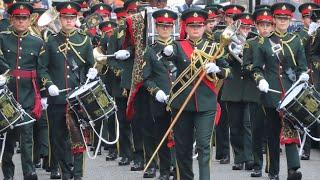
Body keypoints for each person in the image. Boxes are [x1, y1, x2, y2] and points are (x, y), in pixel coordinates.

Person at [167, 8, 231, 180]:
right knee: (183, 148)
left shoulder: (214, 47)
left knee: (204, 147)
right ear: (185, 27)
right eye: (192, 26)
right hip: (182, 103)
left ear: (204, 27)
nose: (196, 29)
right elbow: (166, 66)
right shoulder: (177, 46)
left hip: (206, 104)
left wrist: (217, 69)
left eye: (200, 25)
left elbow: (227, 70)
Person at [38, 1, 96, 180]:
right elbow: (42, 68)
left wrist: (93, 72)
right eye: (65, 17)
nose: (69, 21)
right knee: (58, 140)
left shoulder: (85, 40)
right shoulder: (51, 42)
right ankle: (66, 174)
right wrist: (49, 85)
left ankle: (77, 176)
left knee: (78, 140)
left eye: (72, 17)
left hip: (77, 100)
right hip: (57, 99)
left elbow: (90, 66)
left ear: (76, 18)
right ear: (60, 18)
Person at [252, 2, 309, 180]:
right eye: (279, 18)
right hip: (271, 93)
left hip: (291, 93)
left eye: (286, 18)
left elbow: (302, 66)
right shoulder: (265, 42)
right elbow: (256, 68)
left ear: (290, 19)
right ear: (274, 20)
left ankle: (293, 170)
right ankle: (274, 171)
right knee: (273, 133)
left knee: (291, 130)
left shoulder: (296, 40)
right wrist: (260, 80)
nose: (283, 21)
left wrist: (303, 77)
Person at [0, 2, 44, 180]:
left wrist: (44, 94)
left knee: (27, 138)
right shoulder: (2, 38)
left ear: (29, 20)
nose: (20, 21)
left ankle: (29, 173)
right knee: (7, 139)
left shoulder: (38, 42)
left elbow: (41, 69)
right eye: (17, 18)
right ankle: (8, 174)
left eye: (24, 18)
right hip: (7, 96)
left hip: (28, 95)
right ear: (12, 19)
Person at [142, 9, 177, 180]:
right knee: (162, 136)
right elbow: (146, 78)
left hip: (179, 99)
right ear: (156, 27)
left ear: (172, 27)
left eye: (168, 26)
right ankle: (164, 170)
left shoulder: (181, 47)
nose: (165, 29)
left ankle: (177, 169)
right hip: (160, 99)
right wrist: (156, 92)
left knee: (180, 137)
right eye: (162, 26)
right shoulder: (150, 51)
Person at [220, 12, 254, 171]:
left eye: (248, 26)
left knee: (248, 124)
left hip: (250, 87)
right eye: (243, 26)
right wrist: (234, 53)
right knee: (234, 126)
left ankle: (249, 158)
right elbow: (223, 59)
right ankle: (239, 158)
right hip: (233, 87)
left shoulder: (254, 38)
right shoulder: (229, 38)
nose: (245, 30)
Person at [243, 6, 274, 177]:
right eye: (262, 24)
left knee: (272, 130)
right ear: (256, 25)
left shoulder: (277, 42)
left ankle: (271, 165)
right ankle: (257, 165)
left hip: (274, 91)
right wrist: (258, 69)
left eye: (268, 24)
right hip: (256, 91)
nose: (265, 28)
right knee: (257, 130)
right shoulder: (251, 43)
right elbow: (245, 66)